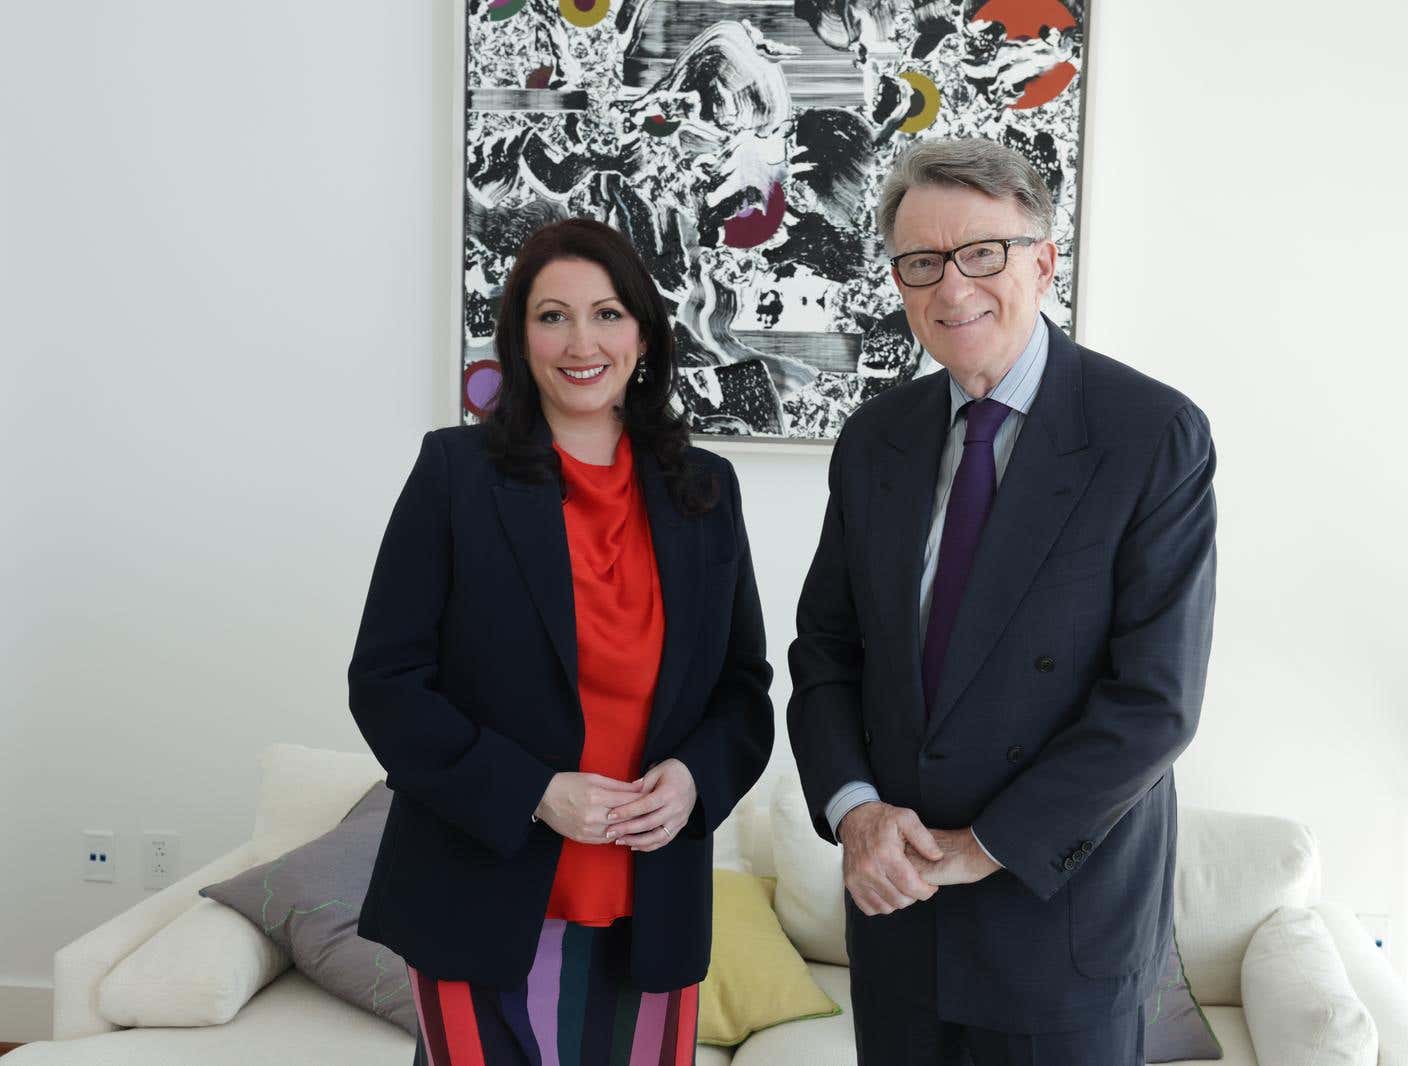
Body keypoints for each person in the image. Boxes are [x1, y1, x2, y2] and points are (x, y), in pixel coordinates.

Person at [787, 137, 1217, 1065]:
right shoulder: (875, 438)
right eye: (920, 263)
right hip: (897, 914)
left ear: (1044, 260)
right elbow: (825, 652)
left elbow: (1155, 700)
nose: (952, 289)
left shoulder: (1150, 434)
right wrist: (856, 810)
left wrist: (987, 843)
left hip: (1057, 922)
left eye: (982, 253)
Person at [349, 218, 774, 1065]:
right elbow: (386, 683)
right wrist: (534, 791)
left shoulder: (705, 487)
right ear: (518, 338)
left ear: (645, 334)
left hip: (652, 895)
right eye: (552, 316)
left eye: (608, 313)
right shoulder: (454, 475)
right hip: (477, 882)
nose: (582, 342)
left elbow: (742, 689)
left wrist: (694, 779)